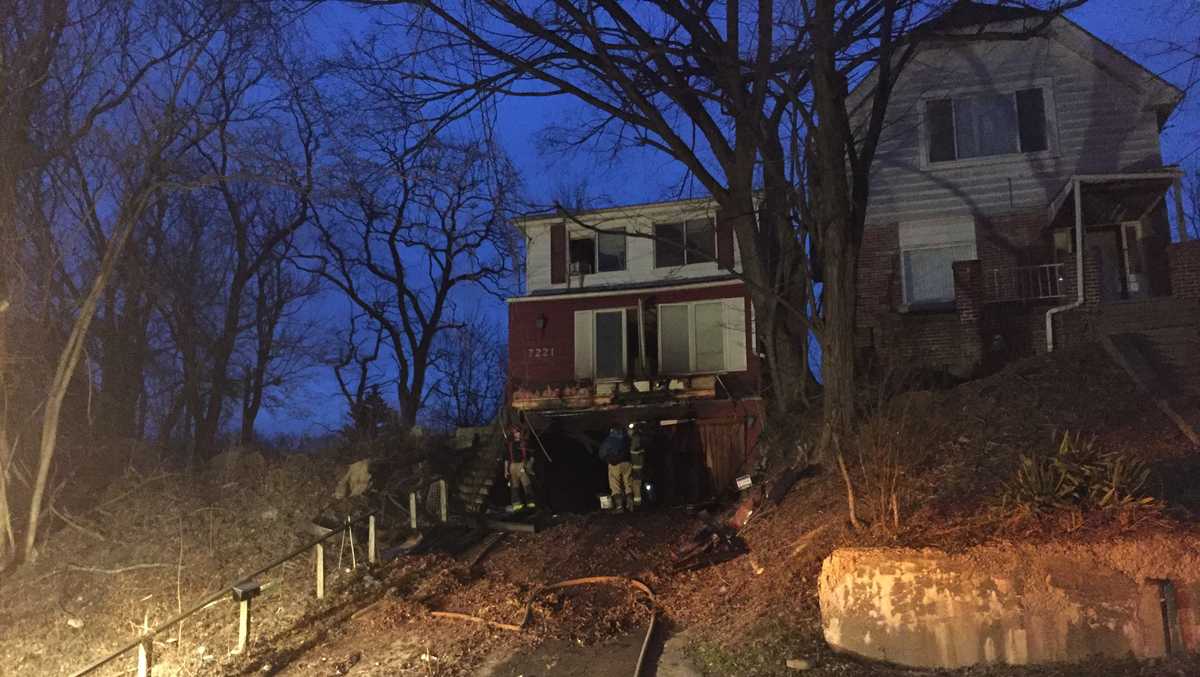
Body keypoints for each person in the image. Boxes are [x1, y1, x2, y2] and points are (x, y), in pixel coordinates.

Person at [598, 424, 634, 512]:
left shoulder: (609, 440)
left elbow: (602, 453)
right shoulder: (626, 439)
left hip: (614, 465)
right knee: (628, 484)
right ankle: (630, 504)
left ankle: (619, 507)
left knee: (615, 486)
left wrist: (608, 459)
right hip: (627, 463)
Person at [504, 425, 536, 512]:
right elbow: (506, 458)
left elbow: (532, 456)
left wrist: (529, 466)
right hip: (513, 466)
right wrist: (506, 470)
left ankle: (531, 504)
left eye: (517, 432)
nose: (516, 434)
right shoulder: (509, 444)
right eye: (514, 432)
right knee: (514, 487)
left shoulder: (525, 443)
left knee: (527, 485)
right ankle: (517, 505)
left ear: (520, 432)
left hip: (522, 466)